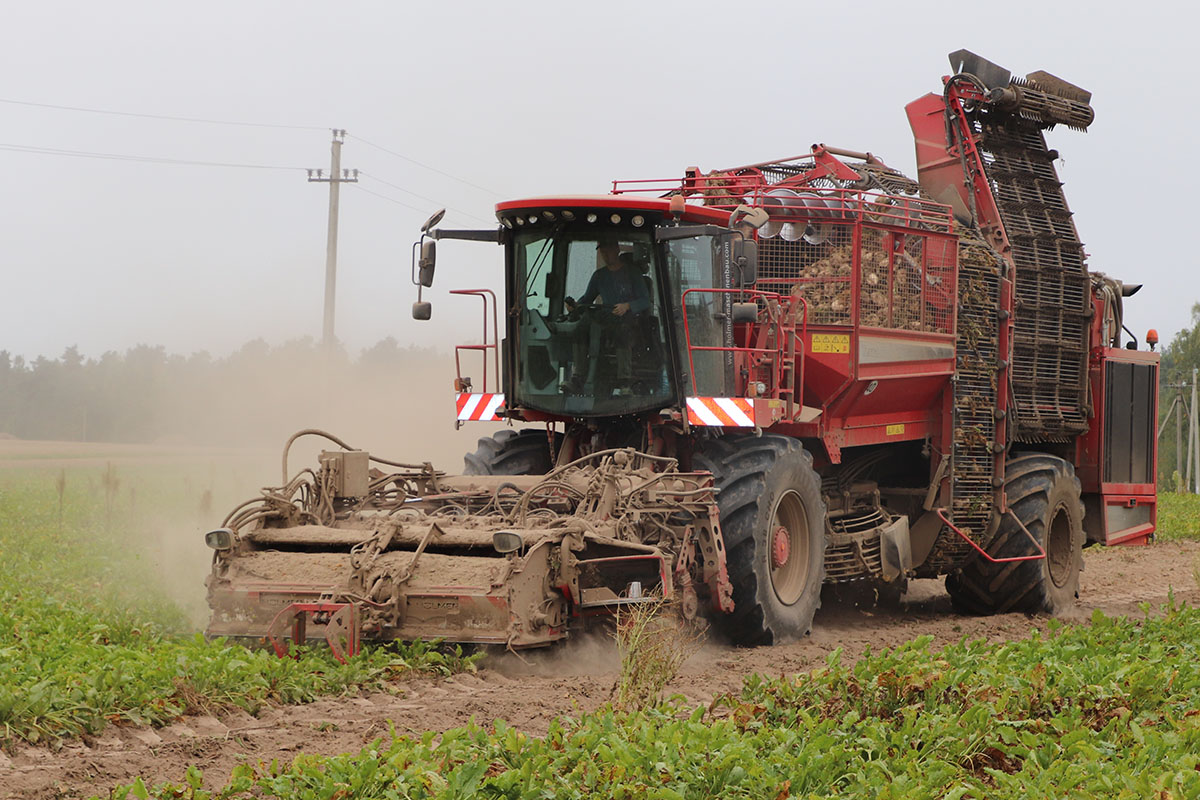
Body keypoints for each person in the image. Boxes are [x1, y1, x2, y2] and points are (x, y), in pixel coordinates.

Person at [564, 240, 651, 394]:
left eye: (608, 250)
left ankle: (625, 382)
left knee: (622, 331)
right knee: (580, 329)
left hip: (628, 319)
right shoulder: (599, 276)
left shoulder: (633, 273)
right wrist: (575, 306)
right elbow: (587, 300)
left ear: (617, 249)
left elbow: (645, 300)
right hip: (606, 317)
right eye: (602, 251)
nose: (605, 254)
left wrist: (627, 306)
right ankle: (577, 378)